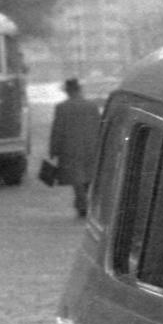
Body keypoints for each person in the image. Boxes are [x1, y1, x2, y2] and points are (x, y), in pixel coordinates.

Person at [48, 77, 102, 219]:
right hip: (91, 147)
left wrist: (53, 149)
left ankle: (82, 206)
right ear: (79, 89)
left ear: (68, 91)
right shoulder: (92, 106)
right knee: (89, 177)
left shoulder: (62, 108)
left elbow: (57, 130)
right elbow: (99, 126)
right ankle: (88, 204)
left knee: (77, 179)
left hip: (70, 148)